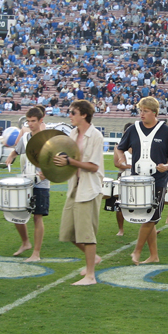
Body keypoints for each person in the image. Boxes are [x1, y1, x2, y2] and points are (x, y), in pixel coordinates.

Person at [115, 96, 168, 265]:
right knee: (146, 218)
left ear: (155, 112)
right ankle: (154, 256)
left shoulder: (166, 131)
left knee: (152, 218)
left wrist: (167, 166)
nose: (142, 114)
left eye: (145, 111)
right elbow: (120, 148)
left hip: (158, 179)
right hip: (138, 180)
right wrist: (122, 160)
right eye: (140, 111)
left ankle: (136, 251)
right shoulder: (133, 129)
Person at [53, 100, 104, 285]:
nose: (70, 115)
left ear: (84, 114)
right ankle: (94, 258)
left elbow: (93, 166)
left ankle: (91, 276)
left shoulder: (96, 136)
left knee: (86, 234)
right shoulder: (73, 133)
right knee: (68, 233)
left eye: (73, 112)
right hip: (74, 187)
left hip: (89, 189)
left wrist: (70, 162)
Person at [6, 106, 49, 261]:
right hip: (25, 181)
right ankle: (25, 242)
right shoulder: (25, 138)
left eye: (33, 121)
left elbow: (55, 159)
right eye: (28, 121)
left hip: (41, 183)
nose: (30, 124)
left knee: (38, 217)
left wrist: (47, 172)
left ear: (40, 120)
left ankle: (36, 253)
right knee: (16, 213)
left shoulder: (47, 138)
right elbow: (16, 151)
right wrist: (10, 157)